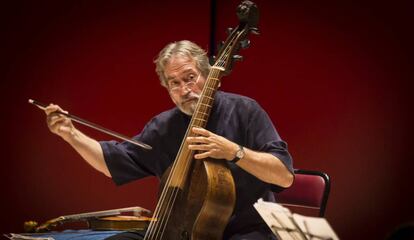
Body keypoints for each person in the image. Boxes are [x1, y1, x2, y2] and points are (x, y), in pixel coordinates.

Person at [44, 40, 294, 240]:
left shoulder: (245, 111)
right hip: (179, 231)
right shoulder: (164, 126)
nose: (185, 89)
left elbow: (284, 176)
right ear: (167, 88)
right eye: (174, 83)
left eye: (190, 78)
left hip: (245, 231)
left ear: (207, 76)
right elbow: (114, 162)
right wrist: (70, 134)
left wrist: (234, 151)